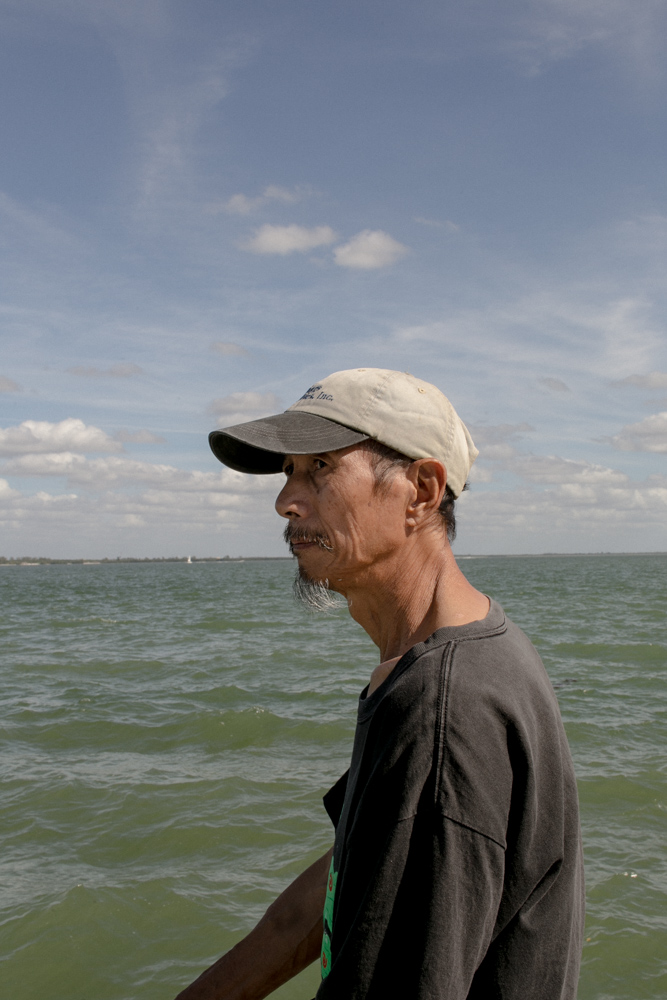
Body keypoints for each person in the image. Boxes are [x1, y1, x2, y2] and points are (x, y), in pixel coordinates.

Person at [174, 368, 585, 1000]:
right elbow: (346, 879)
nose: (286, 500)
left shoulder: (444, 710)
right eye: (288, 471)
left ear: (421, 491)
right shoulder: (440, 659)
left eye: (321, 469)